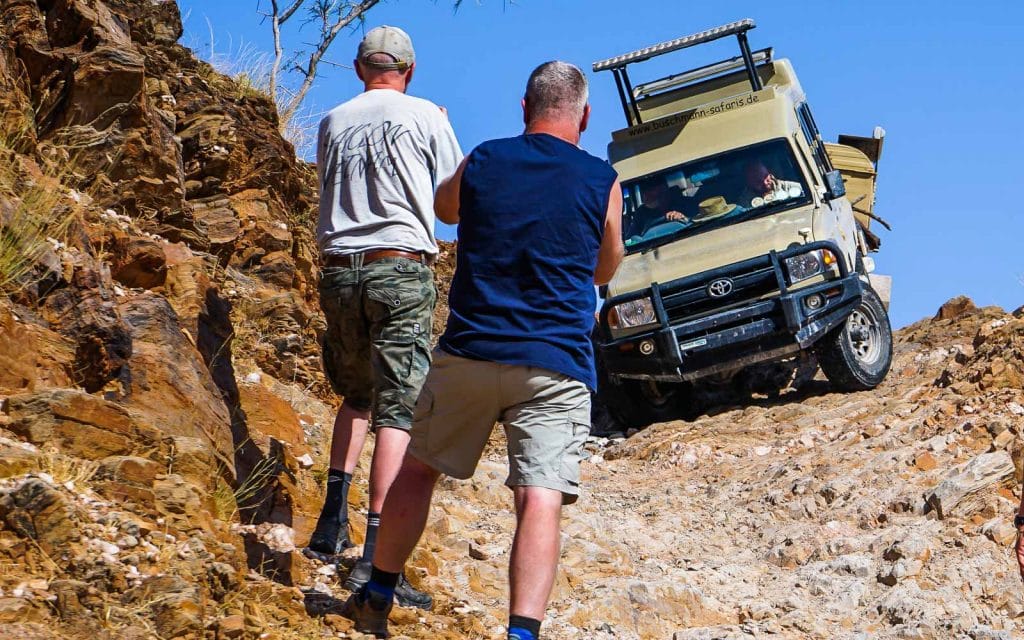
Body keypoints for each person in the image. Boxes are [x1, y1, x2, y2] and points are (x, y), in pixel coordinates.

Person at [341, 60, 625, 639]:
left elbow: (445, 209)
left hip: (471, 349)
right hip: (555, 362)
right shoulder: (603, 180)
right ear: (585, 117)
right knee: (539, 497)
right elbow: (605, 268)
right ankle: (521, 633)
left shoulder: (486, 158)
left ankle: (378, 595)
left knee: (418, 469)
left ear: (524, 108)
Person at [308, 24, 462, 610]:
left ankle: (330, 520)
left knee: (355, 396)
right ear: (409, 70)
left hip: (338, 270)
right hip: (398, 267)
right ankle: (375, 553)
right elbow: (454, 202)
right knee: (399, 410)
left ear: (359, 69)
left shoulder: (333, 121)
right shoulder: (426, 115)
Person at [624, 179, 693, 238]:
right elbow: (631, 239)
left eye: (650, 189)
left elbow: (697, 221)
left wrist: (684, 218)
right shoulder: (641, 213)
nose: (646, 194)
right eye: (643, 190)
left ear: (663, 188)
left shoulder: (686, 203)